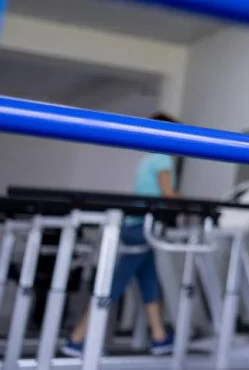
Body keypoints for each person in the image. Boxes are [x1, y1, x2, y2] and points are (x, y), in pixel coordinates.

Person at [62, 112, 180, 357]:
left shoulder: (147, 159)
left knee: (149, 281)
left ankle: (159, 337)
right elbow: (167, 194)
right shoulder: (163, 159)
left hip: (137, 224)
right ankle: (77, 338)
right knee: (114, 282)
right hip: (141, 227)